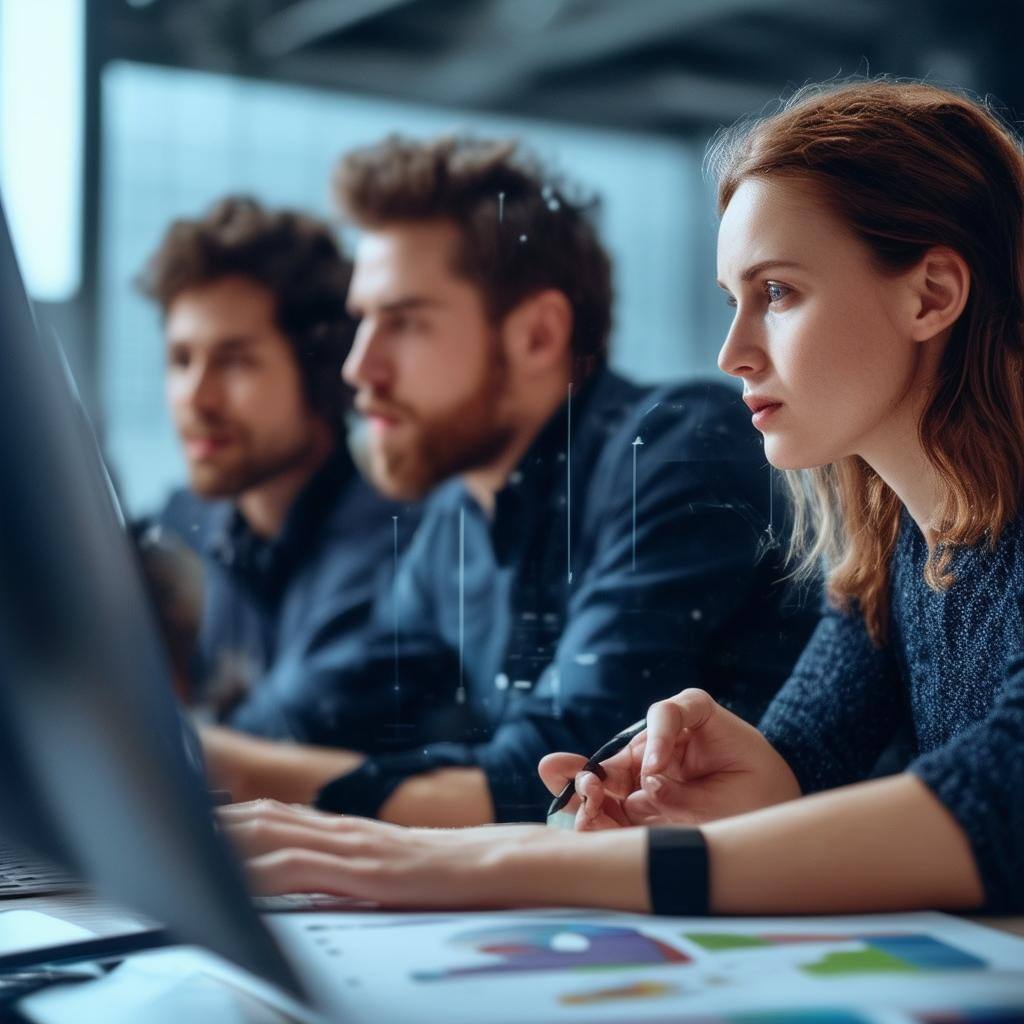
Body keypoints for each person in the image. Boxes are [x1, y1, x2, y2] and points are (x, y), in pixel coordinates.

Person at [220, 80, 1024, 915]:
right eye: (731, 301)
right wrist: (733, 794)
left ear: (931, 293)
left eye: (778, 292)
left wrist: (464, 863)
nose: (732, 352)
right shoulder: (887, 553)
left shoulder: (670, 447)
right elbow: (800, 764)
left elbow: (999, 799)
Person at [203, 135, 816, 824]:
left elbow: (562, 771)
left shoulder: (677, 445)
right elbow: (319, 707)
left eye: (403, 323)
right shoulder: (454, 520)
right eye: (362, 323)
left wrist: (227, 764)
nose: (358, 368)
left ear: (536, 336)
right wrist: (184, 747)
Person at [139, 197, 430, 780]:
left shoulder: (398, 553)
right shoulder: (184, 522)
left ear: (322, 372)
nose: (196, 398)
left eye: (235, 361)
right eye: (181, 359)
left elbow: (269, 741)